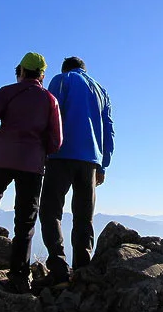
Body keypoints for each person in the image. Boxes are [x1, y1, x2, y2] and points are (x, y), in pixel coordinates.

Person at [0, 52, 62, 293]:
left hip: (1, 158)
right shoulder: (49, 100)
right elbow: (56, 140)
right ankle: (19, 275)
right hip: (32, 164)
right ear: (42, 75)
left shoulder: (7, 92)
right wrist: (40, 149)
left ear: (22, 71)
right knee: (25, 220)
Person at [39, 56, 115, 284]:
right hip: (90, 161)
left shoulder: (62, 80)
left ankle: (59, 267)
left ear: (66, 68)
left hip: (61, 155)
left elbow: (50, 115)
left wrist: (44, 150)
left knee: (51, 211)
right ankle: (82, 270)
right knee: (84, 217)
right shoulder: (101, 90)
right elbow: (108, 129)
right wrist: (103, 164)